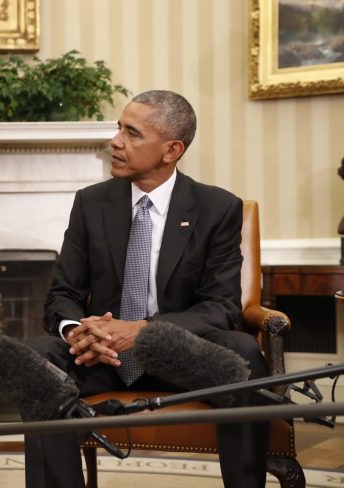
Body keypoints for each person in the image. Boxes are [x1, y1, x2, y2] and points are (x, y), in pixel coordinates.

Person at [24, 90, 270, 488]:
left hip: (178, 355)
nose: (115, 142)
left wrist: (141, 330)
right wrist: (79, 331)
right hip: (102, 356)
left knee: (241, 353)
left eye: (132, 133)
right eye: (119, 128)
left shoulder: (217, 208)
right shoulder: (91, 203)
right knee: (37, 357)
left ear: (171, 149)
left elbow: (222, 306)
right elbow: (63, 293)